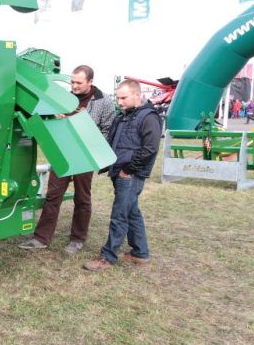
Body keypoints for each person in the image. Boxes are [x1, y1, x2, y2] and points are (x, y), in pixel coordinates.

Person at [19, 65, 116, 254]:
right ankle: (41, 238)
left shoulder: (103, 101)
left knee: (82, 198)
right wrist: (54, 117)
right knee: (53, 195)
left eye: (79, 83)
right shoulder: (62, 97)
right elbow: (45, 118)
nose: (74, 86)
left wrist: (84, 124)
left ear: (90, 82)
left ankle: (77, 239)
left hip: (85, 155)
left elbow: (108, 130)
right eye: (72, 81)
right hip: (62, 151)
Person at [83, 79, 162, 271]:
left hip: (130, 175)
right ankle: (140, 253)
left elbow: (150, 149)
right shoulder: (123, 116)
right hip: (119, 172)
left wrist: (129, 169)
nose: (119, 102)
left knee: (119, 216)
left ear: (137, 94)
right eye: (117, 98)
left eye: (124, 98)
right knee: (132, 213)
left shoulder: (148, 117)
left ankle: (107, 257)